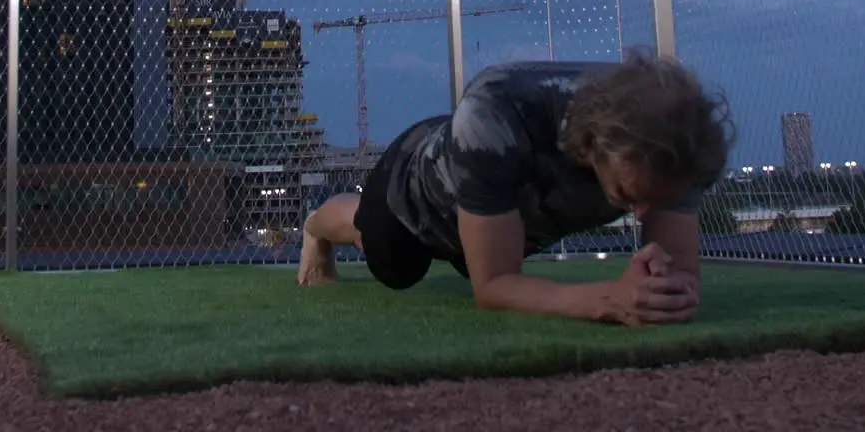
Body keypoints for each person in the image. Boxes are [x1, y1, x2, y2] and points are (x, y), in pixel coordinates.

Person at [297, 49, 734, 327]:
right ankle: (316, 228)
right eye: (630, 195)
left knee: (483, 257)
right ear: (594, 147)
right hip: (421, 193)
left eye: (656, 200)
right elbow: (494, 288)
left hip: (510, 213)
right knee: (389, 258)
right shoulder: (498, 111)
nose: (642, 216)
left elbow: (681, 275)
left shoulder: (677, 141)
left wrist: (666, 290)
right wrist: (610, 299)